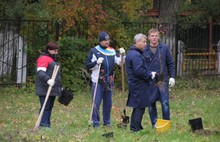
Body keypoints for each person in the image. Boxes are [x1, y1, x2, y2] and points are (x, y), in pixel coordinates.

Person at [85, 31, 125, 127]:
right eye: (105, 40)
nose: (107, 42)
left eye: (108, 40)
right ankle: (96, 123)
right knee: (96, 103)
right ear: (100, 41)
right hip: (98, 80)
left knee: (108, 104)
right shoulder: (94, 51)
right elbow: (87, 65)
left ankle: (107, 123)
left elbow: (120, 62)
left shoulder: (112, 51)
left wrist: (122, 55)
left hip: (109, 81)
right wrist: (96, 63)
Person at [142, 28, 175, 127]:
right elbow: (141, 65)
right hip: (149, 79)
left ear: (159, 37)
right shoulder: (144, 49)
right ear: (149, 37)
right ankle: (155, 124)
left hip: (161, 79)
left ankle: (166, 124)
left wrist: (172, 76)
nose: (154, 38)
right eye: (152, 36)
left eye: (156, 36)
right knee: (151, 104)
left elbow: (170, 63)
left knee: (165, 103)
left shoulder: (164, 48)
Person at [125, 33, 157, 132]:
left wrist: (149, 72)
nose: (145, 44)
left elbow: (140, 68)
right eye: (143, 42)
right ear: (137, 42)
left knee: (137, 106)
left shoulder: (135, 53)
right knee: (140, 107)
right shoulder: (135, 54)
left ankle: (135, 127)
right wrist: (150, 75)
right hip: (138, 84)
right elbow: (138, 70)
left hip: (136, 83)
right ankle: (135, 128)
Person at [35, 42, 62, 128]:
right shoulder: (44, 58)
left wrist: (59, 86)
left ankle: (46, 125)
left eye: (57, 50)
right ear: (49, 50)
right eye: (54, 50)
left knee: (49, 107)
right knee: (45, 107)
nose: (56, 52)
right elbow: (40, 73)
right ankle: (43, 125)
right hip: (44, 88)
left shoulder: (52, 59)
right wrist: (48, 80)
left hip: (52, 88)